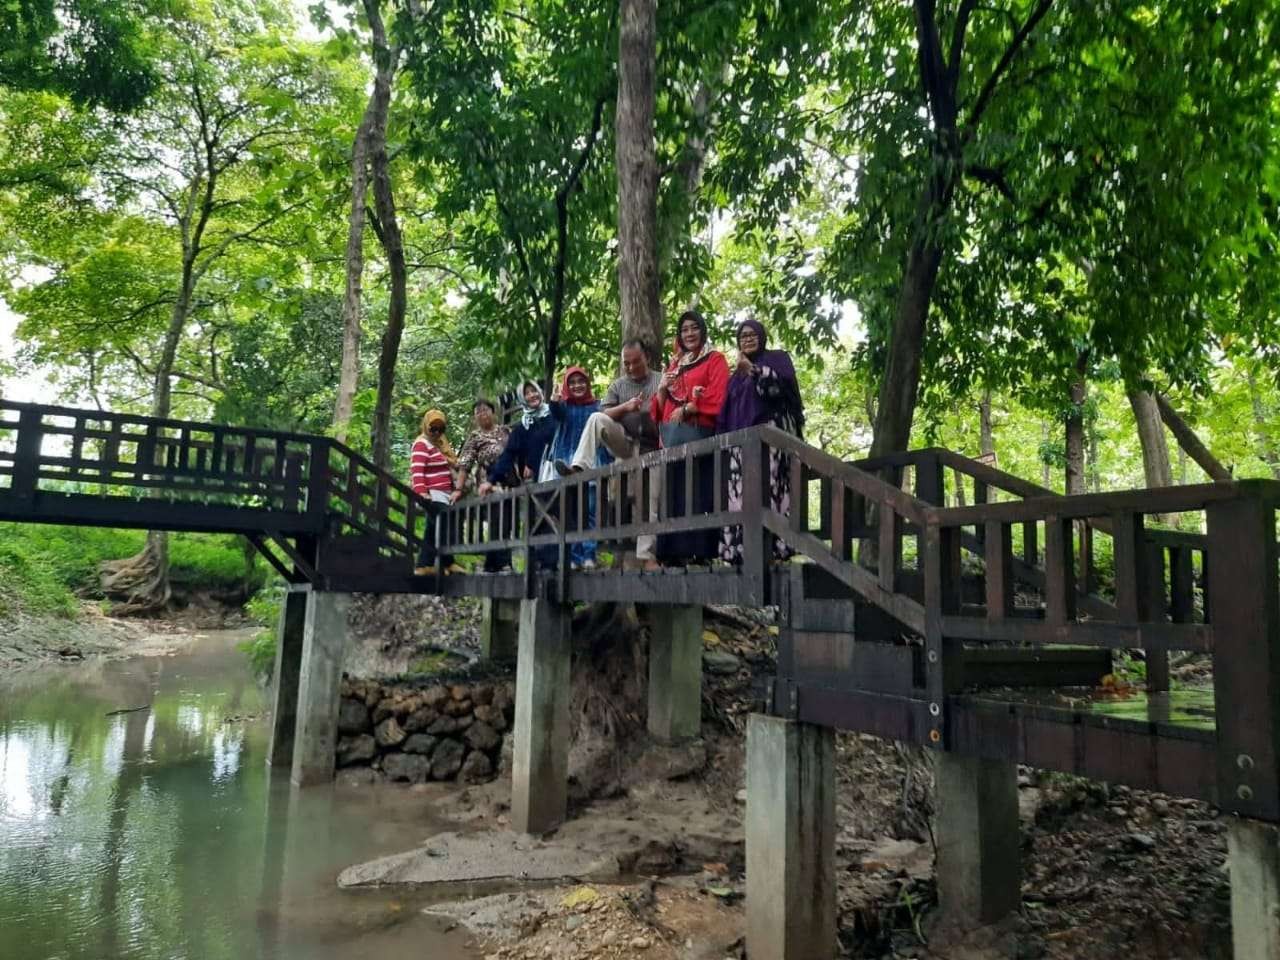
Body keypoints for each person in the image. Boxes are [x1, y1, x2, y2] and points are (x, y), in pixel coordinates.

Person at [553, 339, 662, 567]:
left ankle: (646, 555)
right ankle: (579, 466)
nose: (631, 368)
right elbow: (603, 413)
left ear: (647, 359)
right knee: (596, 418)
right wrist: (626, 407)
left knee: (649, 501)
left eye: (635, 362)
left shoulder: (660, 380)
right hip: (624, 442)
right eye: (626, 363)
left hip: (652, 447)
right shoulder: (618, 385)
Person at [716, 318, 805, 564]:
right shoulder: (735, 379)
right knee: (740, 498)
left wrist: (754, 371)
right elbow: (726, 413)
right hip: (740, 448)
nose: (748, 338)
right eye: (743, 336)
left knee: (770, 491)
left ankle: (775, 550)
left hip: (771, 441)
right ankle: (742, 553)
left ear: (762, 336)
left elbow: (778, 391)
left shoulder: (777, 359)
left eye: (752, 334)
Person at [651, 309, 729, 564]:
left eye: (694, 327)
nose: (690, 333)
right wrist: (662, 387)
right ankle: (672, 553)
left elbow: (719, 397)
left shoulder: (715, 359)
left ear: (703, 330)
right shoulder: (675, 365)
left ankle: (701, 553)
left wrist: (690, 406)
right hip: (675, 439)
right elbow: (658, 411)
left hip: (701, 436)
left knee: (698, 493)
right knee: (674, 493)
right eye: (684, 330)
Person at [546, 366, 602, 569]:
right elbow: (556, 413)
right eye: (572, 383)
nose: (577, 386)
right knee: (570, 513)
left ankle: (589, 555)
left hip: (591, 464)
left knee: (590, 511)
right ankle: (575, 557)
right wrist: (554, 399)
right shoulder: (565, 407)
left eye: (581, 382)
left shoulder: (597, 406)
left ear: (587, 384)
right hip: (566, 464)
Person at [454, 398, 513, 572]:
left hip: (509, 481)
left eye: (485, 410)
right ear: (474, 418)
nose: (482, 414)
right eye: (478, 412)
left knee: (508, 521)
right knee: (497, 520)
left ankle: (493, 563)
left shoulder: (505, 431)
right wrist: (458, 489)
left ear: (493, 413)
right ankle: (502, 562)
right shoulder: (475, 437)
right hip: (488, 483)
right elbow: (465, 465)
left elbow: (516, 451)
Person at [410, 410, 462, 576]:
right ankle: (447, 562)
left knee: (433, 528)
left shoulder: (439, 446)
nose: (437, 433)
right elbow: (417, 470)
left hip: (444, 494)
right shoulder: (421, 444)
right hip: (432, 494)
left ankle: (425, 565)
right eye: (433, 429)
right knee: (444, 523)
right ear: (426, 426)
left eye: (441, 429)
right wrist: (421, 492)